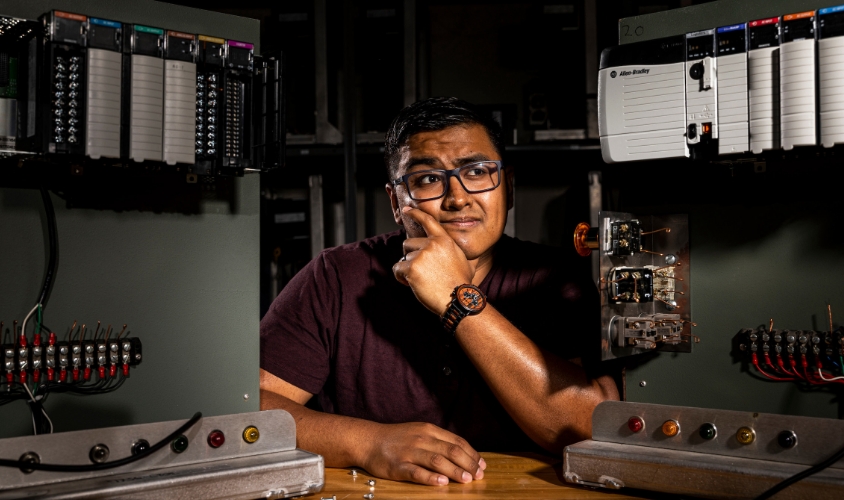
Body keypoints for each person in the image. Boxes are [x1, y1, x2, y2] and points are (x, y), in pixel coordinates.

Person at [259, 97, 618, 486]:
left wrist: (456, 296)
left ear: (508, 189)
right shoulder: (336, 277)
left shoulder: (558, 279)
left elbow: (593, 426)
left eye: (478, 172)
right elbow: (250, 410)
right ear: (396, 202)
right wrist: (368, 443)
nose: (457, 197)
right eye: (428, 179)